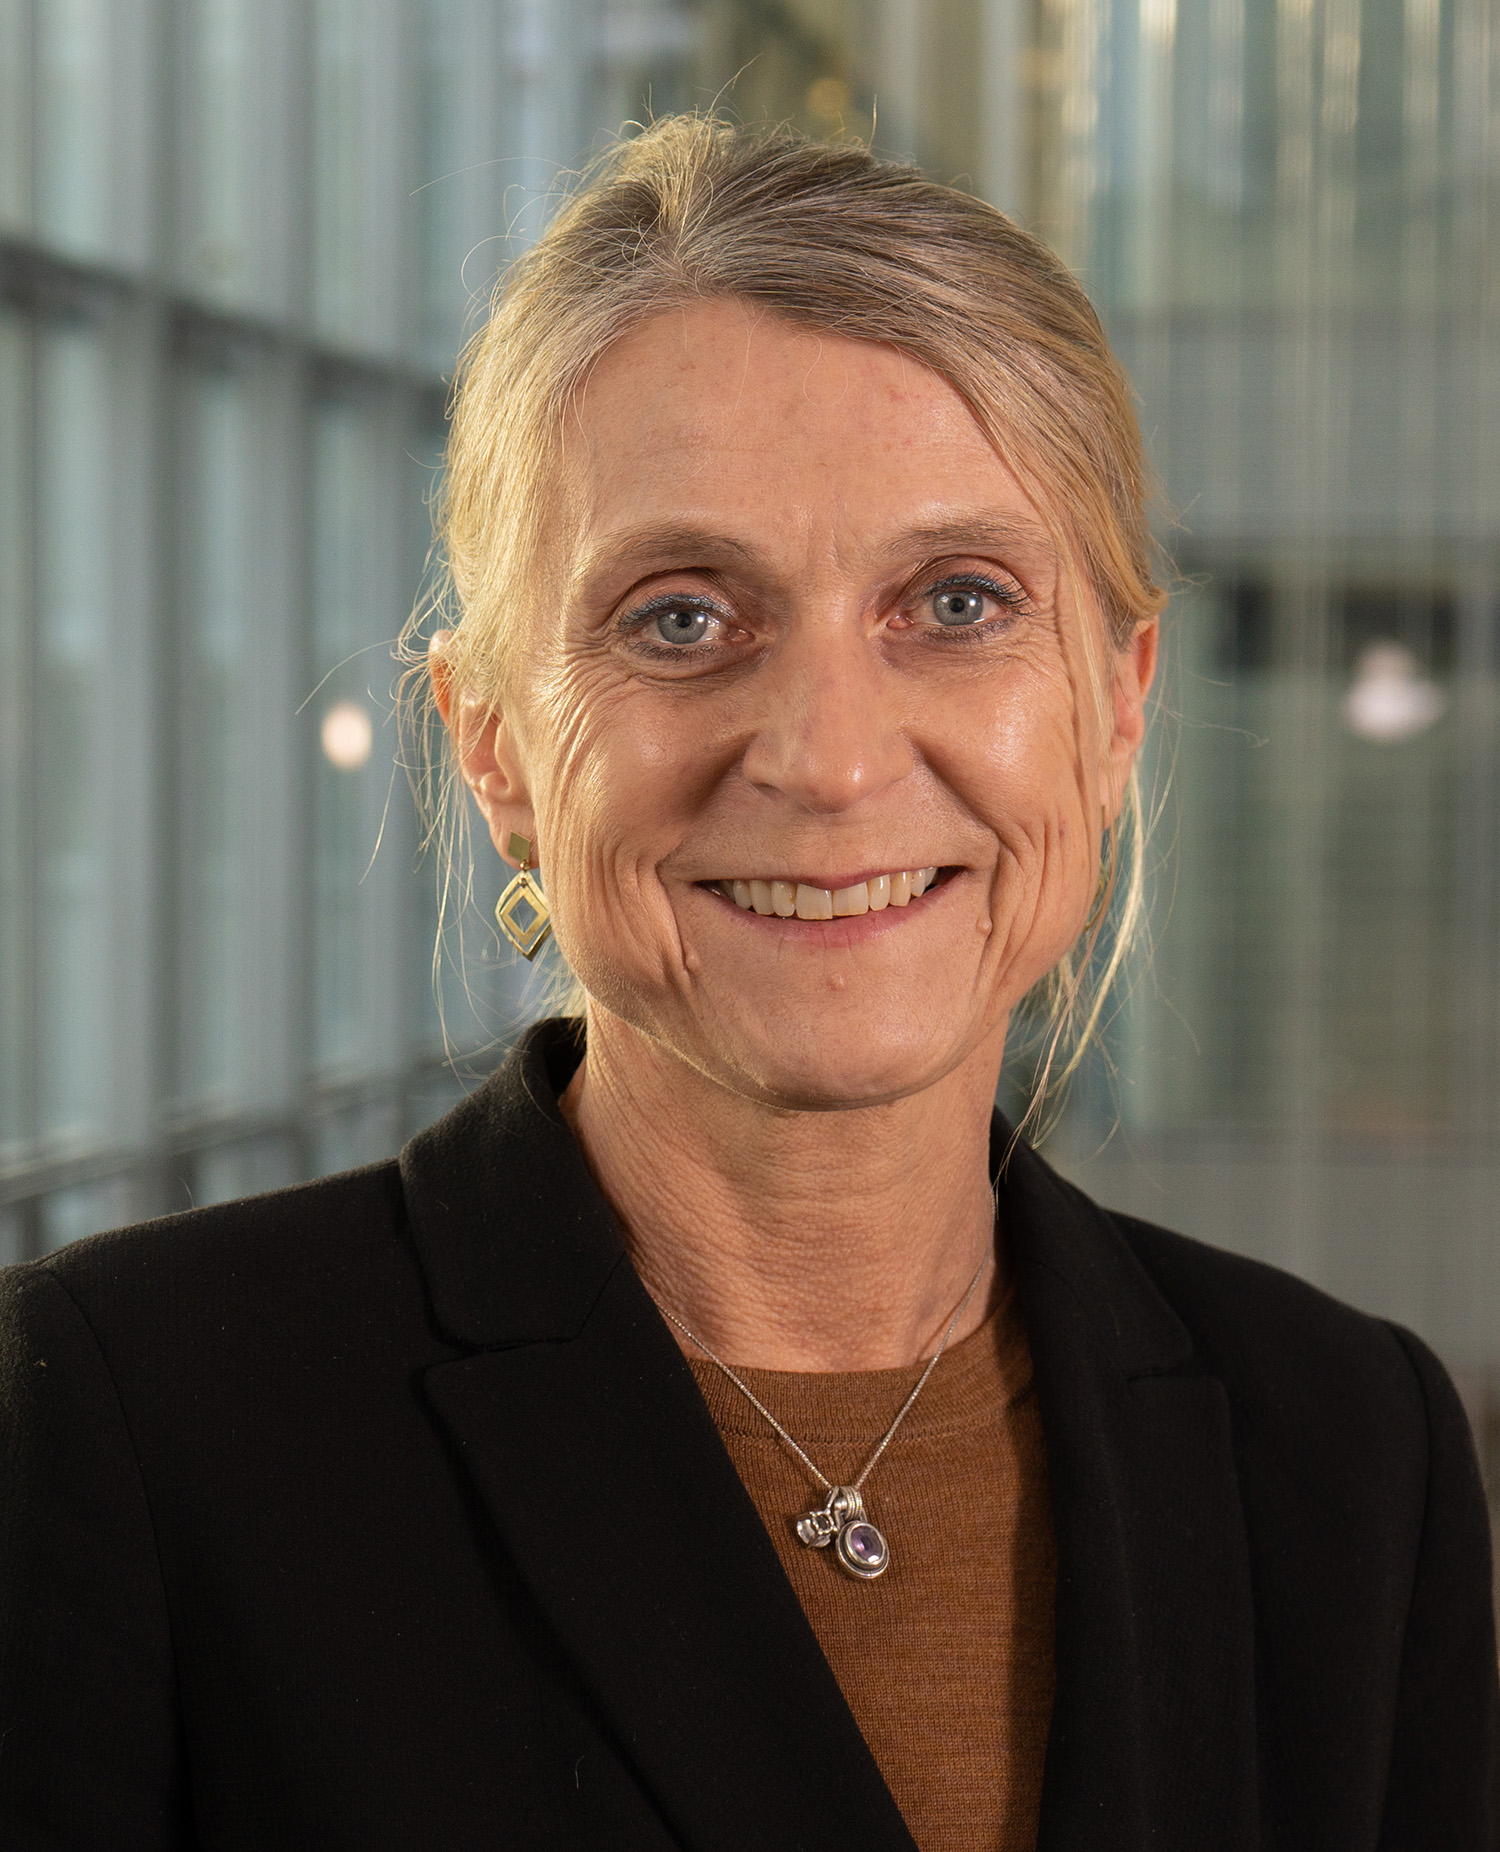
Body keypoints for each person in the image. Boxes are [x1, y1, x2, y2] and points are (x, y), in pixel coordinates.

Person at [1, 118, 1495, 1852]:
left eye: (956, 599)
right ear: (493, 749)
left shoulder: (1349, 1452)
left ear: (1117, 703)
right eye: (682, 619)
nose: (832, 762)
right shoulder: (121, 1422)